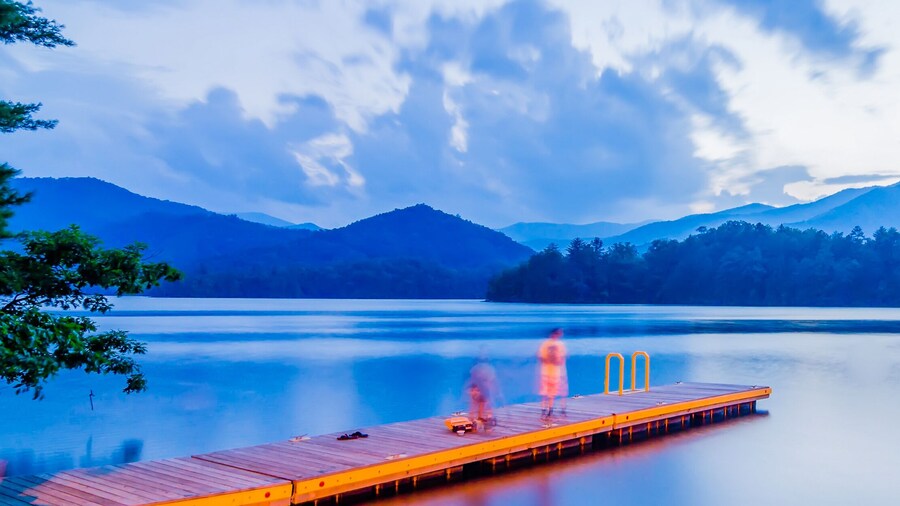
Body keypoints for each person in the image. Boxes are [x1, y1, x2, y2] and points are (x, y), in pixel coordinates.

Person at [538, 327, 568, 422]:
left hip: (545, 371)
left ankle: (543, 410)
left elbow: (540, 357)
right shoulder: (560, 345)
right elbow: (562, 359)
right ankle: (550, 410)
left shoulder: (544, 344)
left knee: (544, 392)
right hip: (555, 372)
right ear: (558, 334)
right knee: (552, 393)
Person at [467, 355, 498, 430]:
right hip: (480, 389)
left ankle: (481, 422)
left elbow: (491, 381)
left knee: (480, 405)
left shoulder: (477, 369)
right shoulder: (487, 369)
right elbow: (491, 381)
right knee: (481, 405)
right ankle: (479, 422)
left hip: (480, 389)